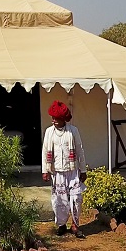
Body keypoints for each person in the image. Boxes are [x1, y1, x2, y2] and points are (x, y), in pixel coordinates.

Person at [42, 100, 87, 238]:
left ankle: (75, 225)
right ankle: (61, 225)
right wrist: (45, 170)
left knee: (76, 198)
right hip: (57, 172)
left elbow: (79, 150)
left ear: (63, 119)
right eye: (53, 118)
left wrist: (83, 169)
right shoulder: (49, 132)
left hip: (73, 171)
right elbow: (45, 151)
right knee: (59, 200)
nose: (53, 120)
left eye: (56, 118)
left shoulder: (73, 131)